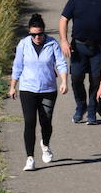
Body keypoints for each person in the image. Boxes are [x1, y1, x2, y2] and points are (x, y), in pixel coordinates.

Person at [9, 12, 68, 169]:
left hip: (48, 89)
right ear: (30, 33)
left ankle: (45, 145)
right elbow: (17, 65)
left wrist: (64, 81)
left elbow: (61, 63)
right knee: (30, 122)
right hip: (28, 88)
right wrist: (13, 86)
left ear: (44, 31)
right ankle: (30, 158)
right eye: (34, 34)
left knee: (46, 122)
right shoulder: (23, 44)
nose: (37, 37)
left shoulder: (52, 44)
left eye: (40, 34)